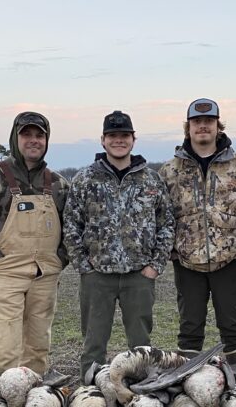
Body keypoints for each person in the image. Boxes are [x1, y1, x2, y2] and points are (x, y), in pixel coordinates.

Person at [0, 111, 69, 380]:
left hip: (46, 276)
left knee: (38, 348)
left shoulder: (58, 184)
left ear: (47, 140)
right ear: (14, 138)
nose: (33, 140)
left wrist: (62, 258)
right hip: (6, 274)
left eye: (39, 135)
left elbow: (74, 227)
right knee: (2, 349)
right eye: (26, 134)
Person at [63, 110, 174, 380]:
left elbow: (167, 223)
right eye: (113, 136)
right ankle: (91, 399)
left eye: (124, 135)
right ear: (103, 140)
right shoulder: (85, 180)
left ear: (133, 139)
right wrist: (84, 266)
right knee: (93, 344)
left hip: (139, 275)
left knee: (140, 345)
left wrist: (155, 266)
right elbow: (70, 225)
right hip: (97, 276)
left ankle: (141, 395)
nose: (119, 141)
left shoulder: (151, 180)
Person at [159, 98, 236, 375]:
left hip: (228, 259)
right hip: (187, 262)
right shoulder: (170, 170)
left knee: (233, 326)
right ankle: (187, 381)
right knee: (189, 328)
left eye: (209, 122)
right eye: (196, 122)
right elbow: (161, 214)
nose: (202, 126)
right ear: (188, 128)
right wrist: (169, 249)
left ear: (218, 126)